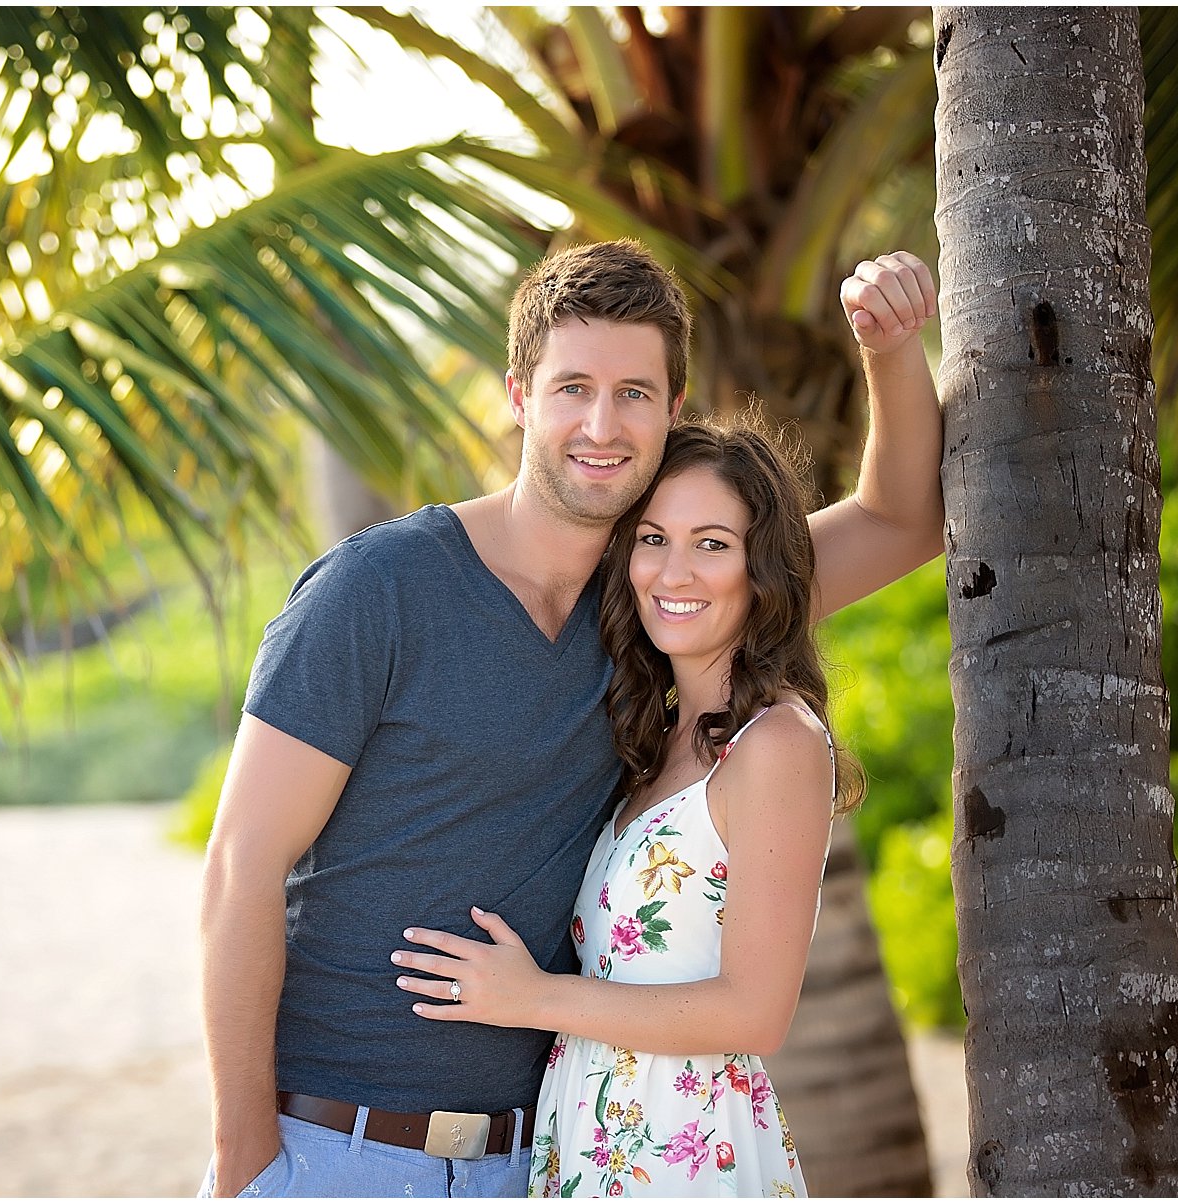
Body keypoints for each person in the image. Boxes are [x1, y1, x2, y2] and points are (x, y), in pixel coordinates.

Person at [199, 239, 941, 1198]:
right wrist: (243, 1161)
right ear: (519, 395)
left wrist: (888, 345)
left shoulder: (666, 599)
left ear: (674, 410)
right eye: (572, 387)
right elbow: (238, 870)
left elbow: (901, 523)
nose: (602, 423)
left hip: (536, 1161)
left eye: (635, 392)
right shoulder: (377, 590)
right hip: (337, 1153)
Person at [394, 411, 859, 1197]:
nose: (674, 573)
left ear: (763, 568)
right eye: (653, 539)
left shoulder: (776, 745)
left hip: (684, 1151)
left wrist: (532, 997)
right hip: (593, 1138)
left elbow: (755, 1013)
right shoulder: (657, 739)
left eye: (713, 543)